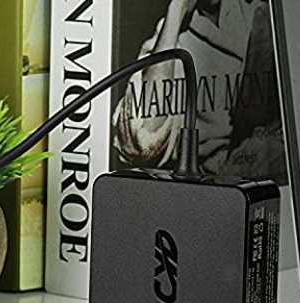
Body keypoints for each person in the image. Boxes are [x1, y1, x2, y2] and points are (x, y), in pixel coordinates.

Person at [113, 0, 286, 182]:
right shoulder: (174, 36)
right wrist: (176, 11)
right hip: (211, 184)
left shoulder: (263, 16)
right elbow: (143, 140)